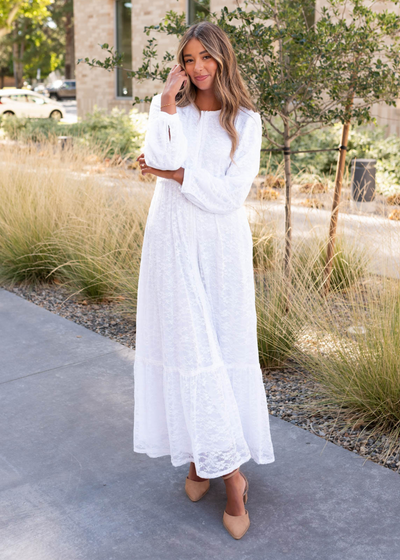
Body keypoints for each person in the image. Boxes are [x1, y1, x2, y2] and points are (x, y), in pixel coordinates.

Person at [134, 20, 275, 540]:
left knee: (222, 346)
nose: (197, 69)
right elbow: (163, 155)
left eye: (206, 59)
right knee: (188, 349)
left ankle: (222, 470)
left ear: (222, 59)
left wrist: (173, 176)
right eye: (188, 59)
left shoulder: (248, 121)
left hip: (220, 246)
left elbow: (228, 195)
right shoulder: (170, 108)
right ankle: (218, 468)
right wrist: (167, 106)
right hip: (171, 239)